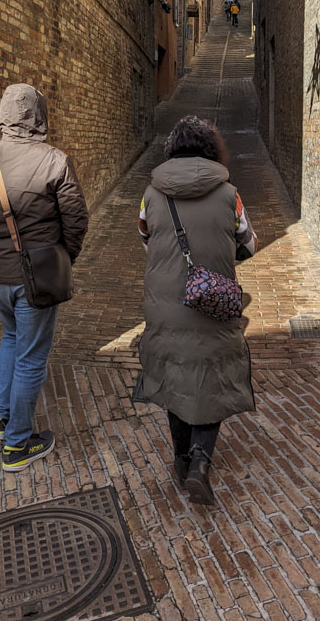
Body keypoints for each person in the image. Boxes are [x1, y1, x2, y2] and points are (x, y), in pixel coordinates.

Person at [0, 83, 88, 471]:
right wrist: (62, 259)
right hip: (37, 278)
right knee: (31, 358)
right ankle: (16, 445)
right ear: (39, 116)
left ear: (3, 117)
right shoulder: (55, 161)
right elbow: (76, 221)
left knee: (11, 337)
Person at [134, 116, 257, 505]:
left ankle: (181, 458)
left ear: (172, 149)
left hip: (165, 302)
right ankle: (200, 461)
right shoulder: (230, 195)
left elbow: (145, 238)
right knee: (214, 376)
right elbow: (248, 244)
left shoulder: (151, 194)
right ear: (211, 149)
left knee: (175, 375)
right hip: (213, 301)